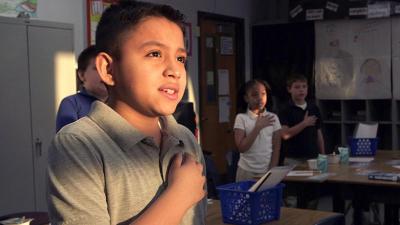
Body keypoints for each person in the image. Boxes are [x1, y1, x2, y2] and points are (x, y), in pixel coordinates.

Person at [47, 1, 206, 225]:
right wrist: (178, 196)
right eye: (154, 53)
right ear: (108, 69)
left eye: (180, 58)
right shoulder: (77, 144)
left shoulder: (185, 139)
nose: (174, 71)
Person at [233, 79, 281, 182]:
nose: (260, 98)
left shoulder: (273, 118)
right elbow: (242, 148)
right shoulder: (241, 118)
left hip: (266, 170)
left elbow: (276, 147)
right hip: (246, 171)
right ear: (246, 98)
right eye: (255, 95)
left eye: (263, 94)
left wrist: (271, 171)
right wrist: (257, 127)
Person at [55, 45, 108, 132]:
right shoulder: (72, 104)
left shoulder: (121, 104)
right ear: (82, 75)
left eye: (107, 68)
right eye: (97, 68)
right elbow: (69, 140)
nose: (104, 73)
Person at [279, 74, 325, 166]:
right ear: (289, 89)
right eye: (297, 87)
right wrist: (304, 123)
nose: (301, 90)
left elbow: (318, 133)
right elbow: (285, 134)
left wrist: (322, 155)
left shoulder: (313, 108)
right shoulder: (285, 109)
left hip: (313, 157)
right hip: (293, 159)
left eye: (304, 86)